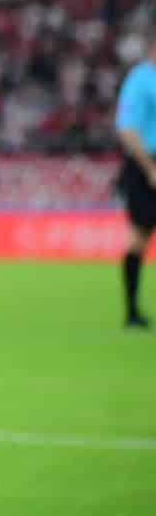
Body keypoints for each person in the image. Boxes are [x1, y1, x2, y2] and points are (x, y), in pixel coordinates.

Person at [114, 31, 156, 330]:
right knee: (139, 236)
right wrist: (149, 167)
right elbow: (127, 129)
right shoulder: (140, 80)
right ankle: (132, 312)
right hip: (147, 164)